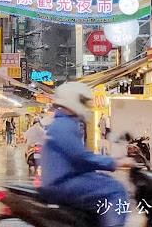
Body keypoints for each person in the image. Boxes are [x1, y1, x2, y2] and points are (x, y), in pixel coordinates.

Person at [39, 82, 133, 227]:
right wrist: (115, 163)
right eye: (83, 101)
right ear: (73, 100)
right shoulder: (65, 126)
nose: (86, 106)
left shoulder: (62, 123)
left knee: (103, 180)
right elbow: (81, 157)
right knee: (116, 190)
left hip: (60, 180)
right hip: (63, 183)